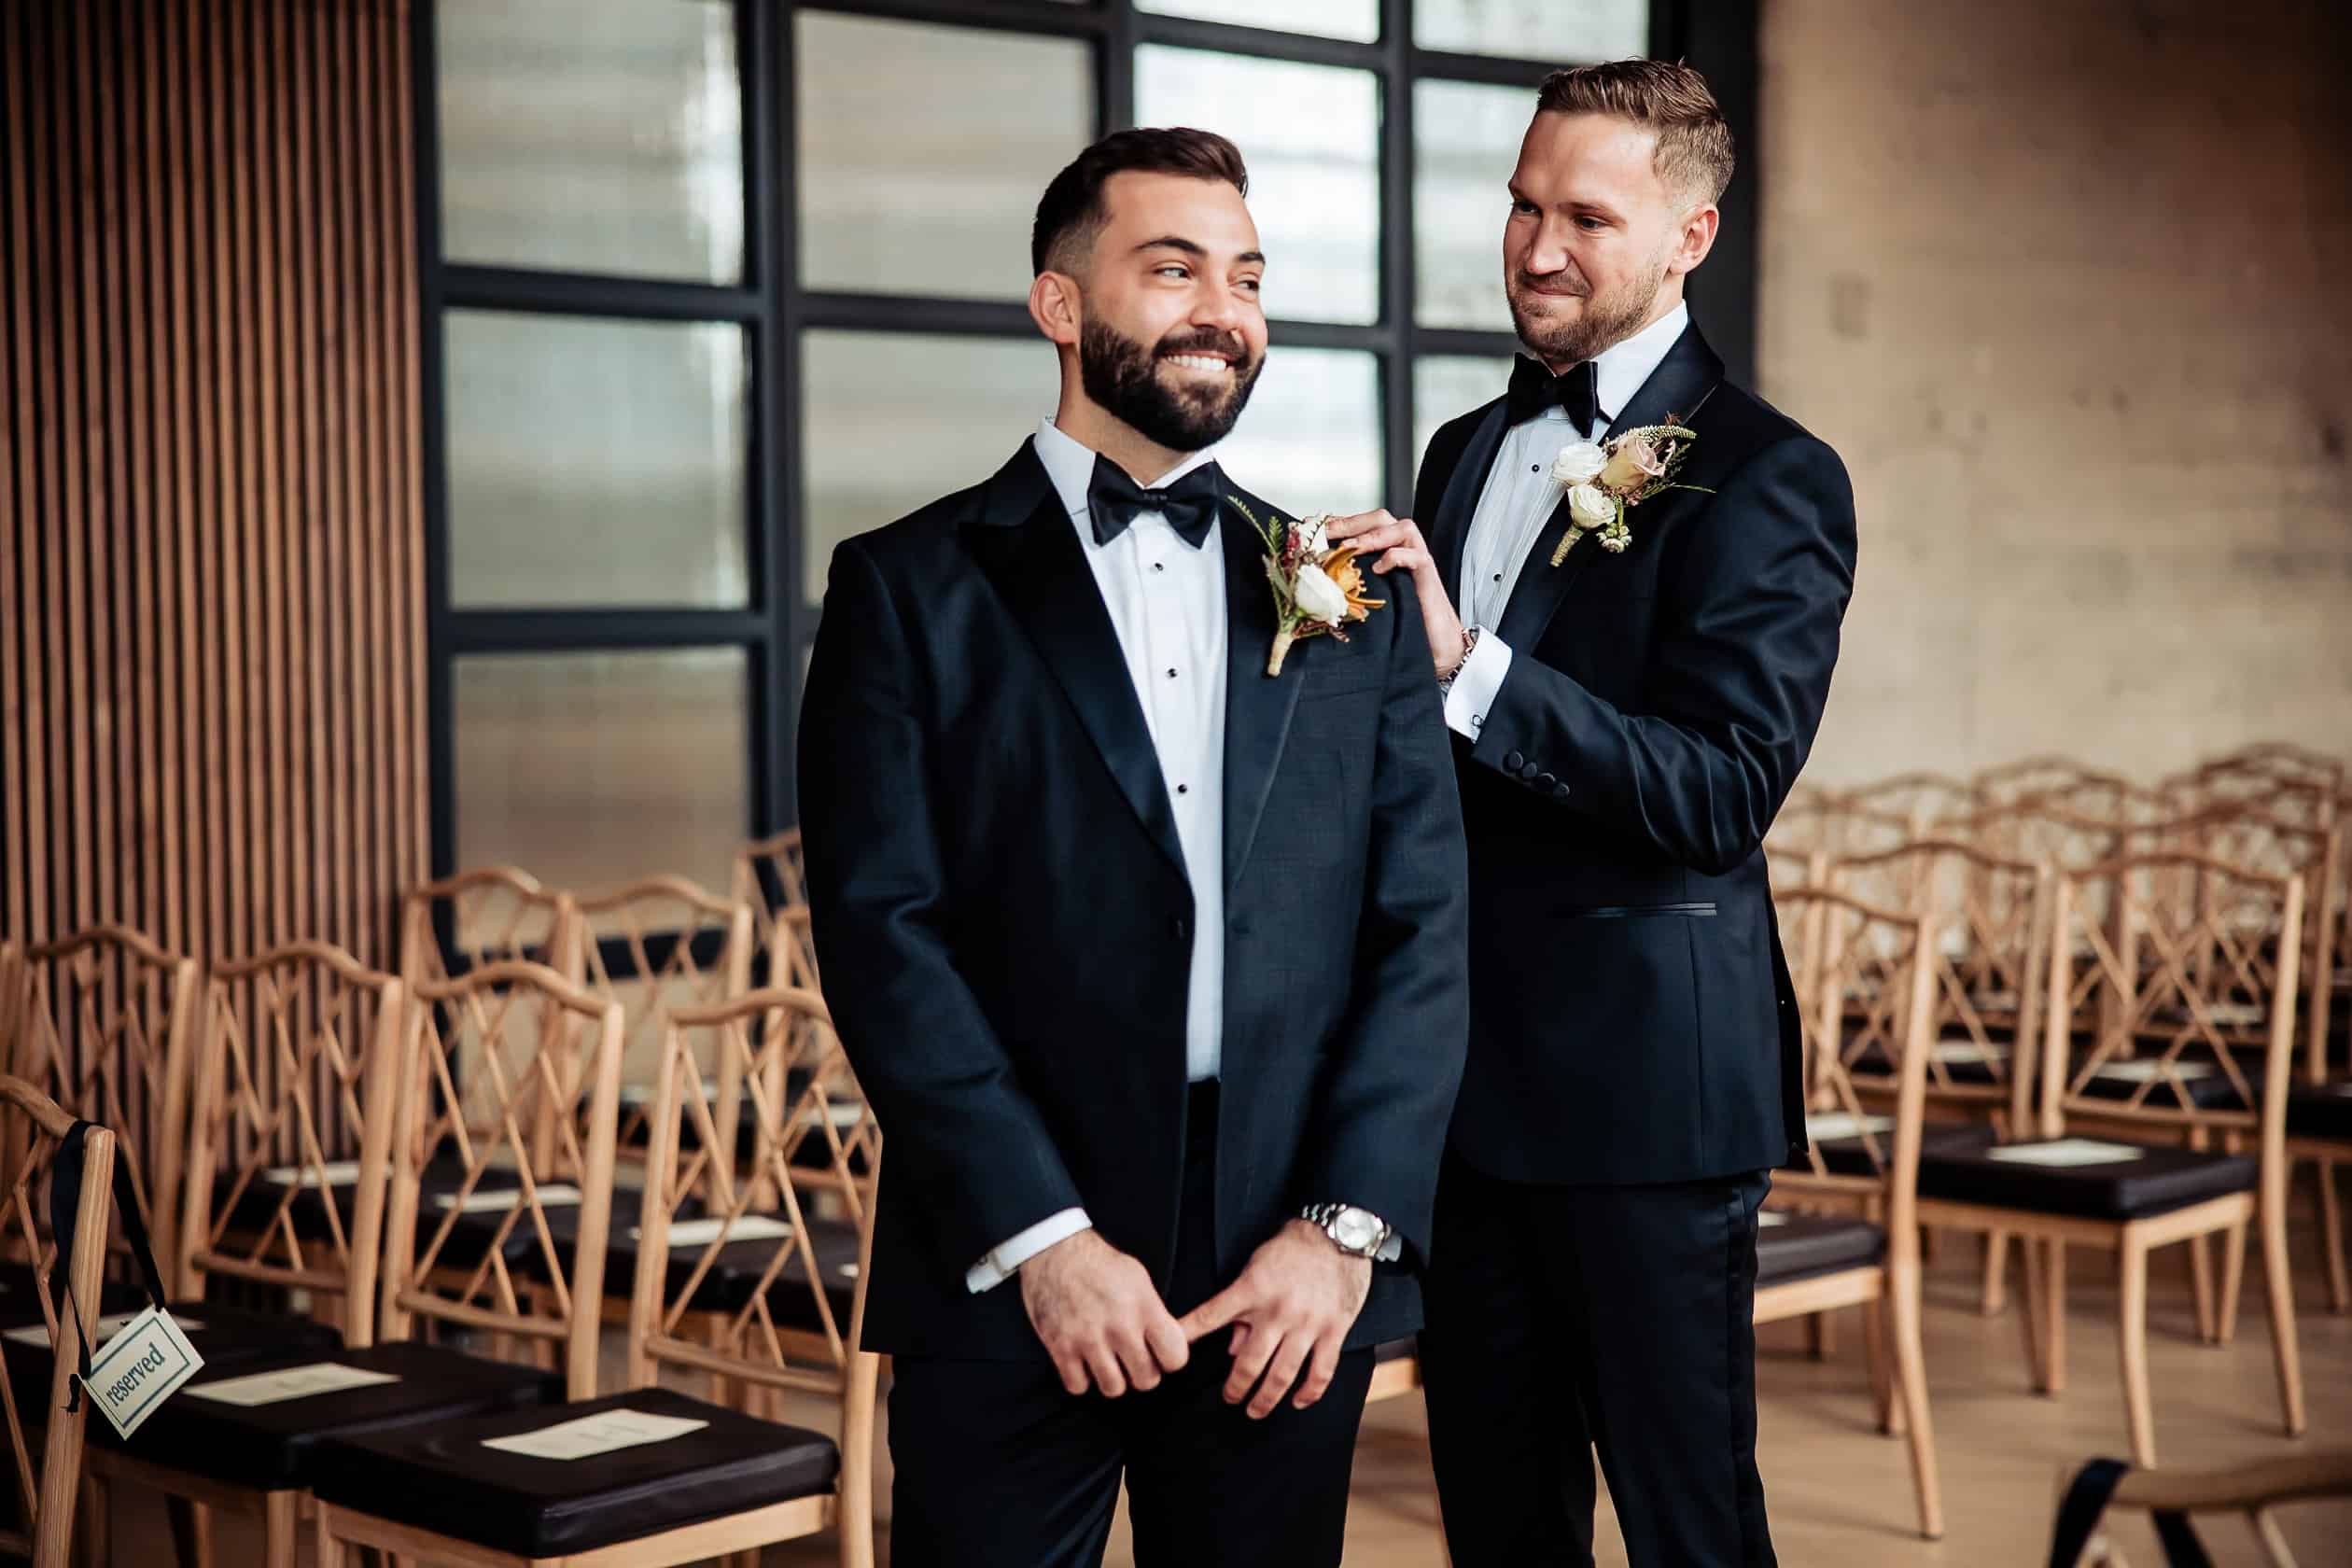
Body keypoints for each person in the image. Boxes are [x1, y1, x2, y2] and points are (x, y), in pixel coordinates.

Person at [797, 127, 1468, 1568]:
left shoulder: (1343, 591)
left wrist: (1338, 1233)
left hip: (1283, 1264)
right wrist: (1042, 1240)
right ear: (1060, 305)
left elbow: (1423, 932)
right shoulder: (906, 589)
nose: (1221, 309)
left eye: (1245, 277)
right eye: (1172, 270)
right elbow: (880, 932)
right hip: (1010, 1247)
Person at [1331, 58, 1857, 1568]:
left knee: (1692, 1526)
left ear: (1690, 236)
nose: (1536, 248)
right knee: (1497, 1525)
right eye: (1519, 206)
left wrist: (1466, 663)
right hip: (1453, 1093)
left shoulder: (1770, 476)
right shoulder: (1464, 452)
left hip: (1646, 1104)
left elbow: (1719, 791)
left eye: (1585, 217)